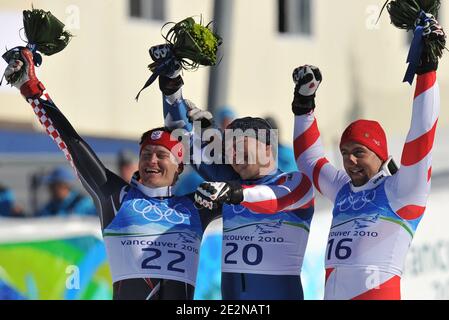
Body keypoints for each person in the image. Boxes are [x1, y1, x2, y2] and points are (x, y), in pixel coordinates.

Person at [3, 46, 220, 300]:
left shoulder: (196, 205)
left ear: (180, 166)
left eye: (161, 155)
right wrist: (31, 89)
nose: (151, 160)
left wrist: (205, 136)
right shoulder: (116, 196)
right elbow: (72, 144)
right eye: (146, 154)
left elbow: (245, 188)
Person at [291, 18, 444, 300]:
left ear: (380, 154)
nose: (350, 161)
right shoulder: (343, 191)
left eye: (359, 152)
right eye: (345, 153)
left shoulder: (402, 190)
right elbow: (308, 160)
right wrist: (304, 105)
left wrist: (427, 69)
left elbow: (422, 134)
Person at [153, 44, 315, 300]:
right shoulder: (230, 182)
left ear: (267, 145)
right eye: (229, 149)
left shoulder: (294, 182)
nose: (233, 155)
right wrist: (172, 88)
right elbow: (181, 137)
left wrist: (231, 191)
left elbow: (270, 198)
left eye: (240, 146)